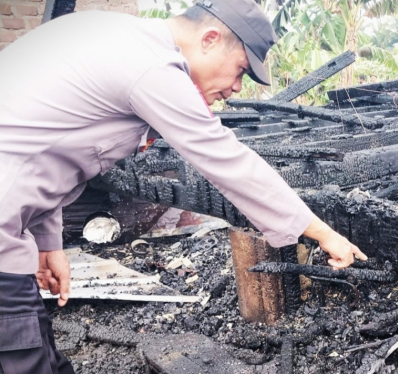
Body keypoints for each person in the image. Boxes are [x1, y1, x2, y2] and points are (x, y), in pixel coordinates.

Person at [0, 0, 366, 372]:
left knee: (37, 347)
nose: (236, 88)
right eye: (240, 70)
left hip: (10, 223)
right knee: (23, 356)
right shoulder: (151, 66)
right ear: (209, 38)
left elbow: (41, 152)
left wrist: (47, 242)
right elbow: (223, 157)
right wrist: (321, 232)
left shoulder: (113, 35)